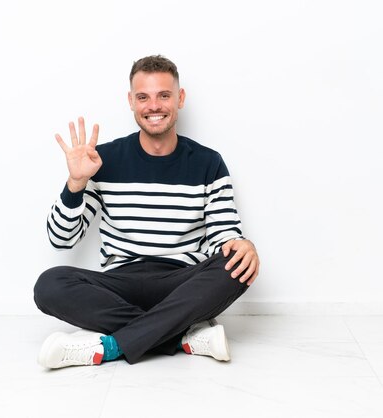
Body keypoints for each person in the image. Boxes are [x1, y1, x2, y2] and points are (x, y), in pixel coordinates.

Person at [34, 55, 259, 369]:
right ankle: (181, 336)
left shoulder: (208, 163)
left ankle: (111, 346)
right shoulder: (102, 160)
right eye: (143, 97)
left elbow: (223, 235)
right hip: (121, 286)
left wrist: (240, 245)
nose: (154, 106)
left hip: (181, 284)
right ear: (131, 101)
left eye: (163, 95)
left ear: (179, 99)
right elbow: (61, 240)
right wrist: (75, 182)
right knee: (49, 285)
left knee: (237, 264)